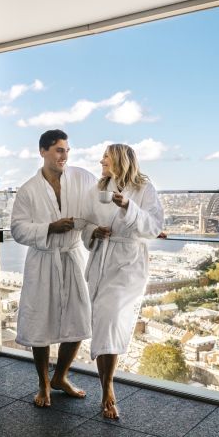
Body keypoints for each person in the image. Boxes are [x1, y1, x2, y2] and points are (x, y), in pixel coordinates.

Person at [11, 129, 97, 407]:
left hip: (71, 257)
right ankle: (43, 384)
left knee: (80, 320)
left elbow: (100, 204)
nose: (65, 156)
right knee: (40, 323)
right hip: (43, 260)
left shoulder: (83, 178)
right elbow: (18, 230)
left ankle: (60, 376)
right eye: (59, 150)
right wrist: (50, 227)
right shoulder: (28, 190)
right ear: (43, 151)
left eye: (67, 150)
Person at [81, 144, 164, 419]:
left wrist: (129, 206)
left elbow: (153, 226)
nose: (100, 160)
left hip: (128, 264)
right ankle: (106, 386)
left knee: (112, 319)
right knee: (103, 322)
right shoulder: (98, 189)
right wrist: (95, 232)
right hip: (103, 259)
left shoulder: (145, 189)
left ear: (119, 159)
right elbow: (86, 225)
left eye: (105, 156)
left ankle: (108, 387)